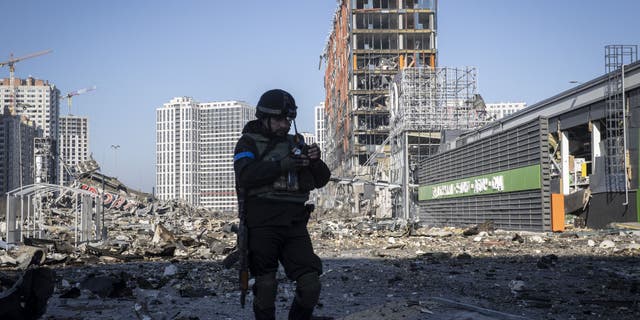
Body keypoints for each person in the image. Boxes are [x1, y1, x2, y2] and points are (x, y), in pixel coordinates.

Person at [233, 89, 331, 320]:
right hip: (261, 225)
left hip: (294, 225)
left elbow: (322, 179)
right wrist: (284, 165)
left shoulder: (295, 143)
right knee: (266, 286)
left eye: (287, 120)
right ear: (264, 118)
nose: (284, 125)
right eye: (278, 120)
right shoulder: (248, 143)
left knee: (310, 285)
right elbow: (245, 175)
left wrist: (314, 161)